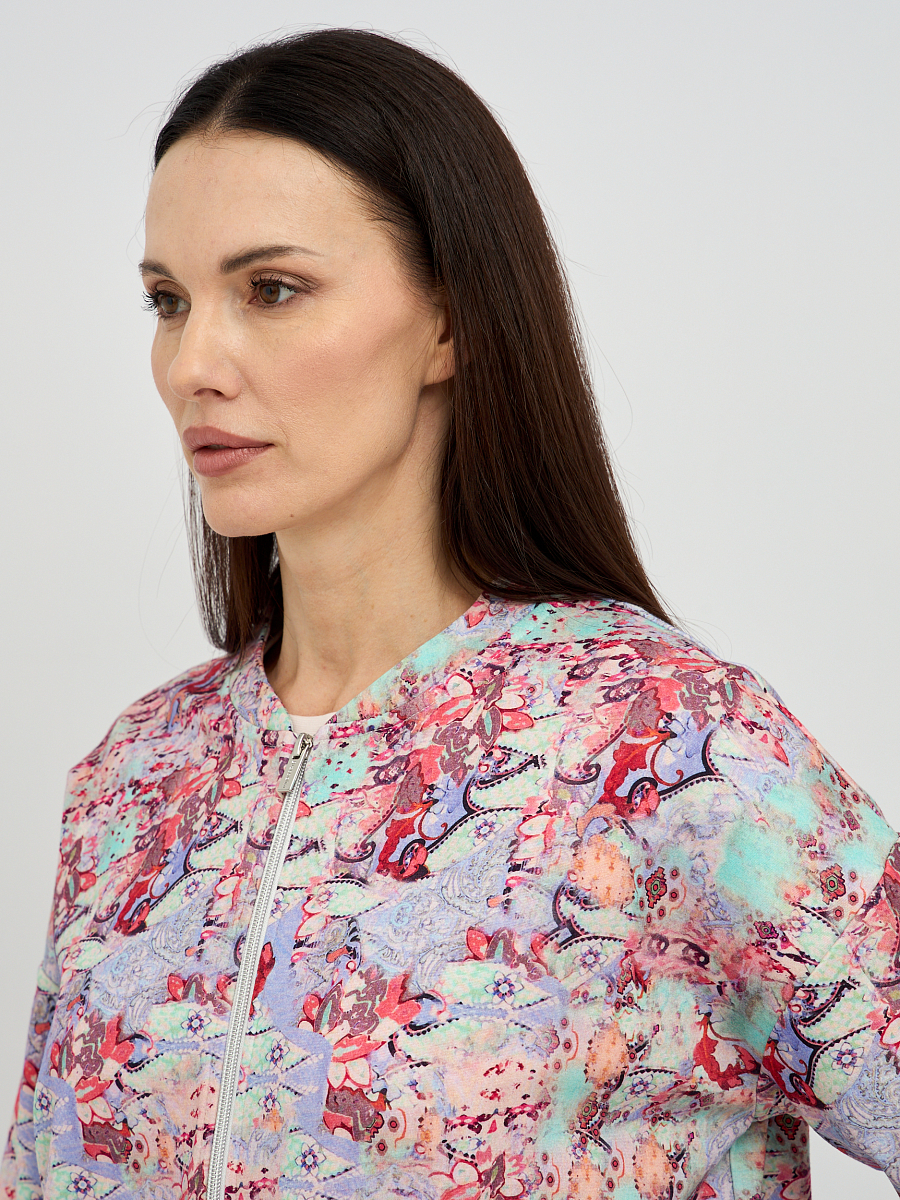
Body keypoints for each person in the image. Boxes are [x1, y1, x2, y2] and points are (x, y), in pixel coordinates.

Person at [3, 26, 898, 1200]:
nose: (191, 364)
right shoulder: (135, 781)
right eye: (169, 301)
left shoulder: (669, 753)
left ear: (447, 322)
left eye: (272, 290)